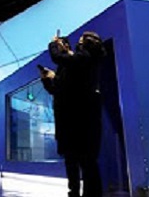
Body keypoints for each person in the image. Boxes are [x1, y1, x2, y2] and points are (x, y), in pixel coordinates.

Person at [39, 31, 106, 197]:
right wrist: (48, 79)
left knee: (86, 161)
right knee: (75, 160)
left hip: (79, 119)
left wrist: (53, 44)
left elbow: (59, 59)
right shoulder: (79, 62)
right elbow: (58, 90)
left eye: (81, 41)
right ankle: (76, 192)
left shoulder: (83, 59)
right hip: (71, 120)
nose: (78, 44)